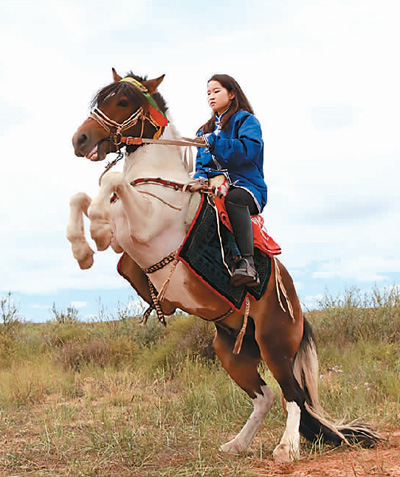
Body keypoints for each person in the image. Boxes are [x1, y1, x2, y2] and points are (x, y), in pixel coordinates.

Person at [194, 74, 268, 288]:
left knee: (234, 199)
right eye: (208, 92)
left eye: (216, 91)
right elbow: (201, 164)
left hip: (247, 187)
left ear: (232, 93)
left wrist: (215, 143)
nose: (211, 96)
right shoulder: (204, 131)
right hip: (213, 188)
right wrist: (199, 177)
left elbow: (249, 151)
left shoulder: (246, 121)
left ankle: (247, 262)